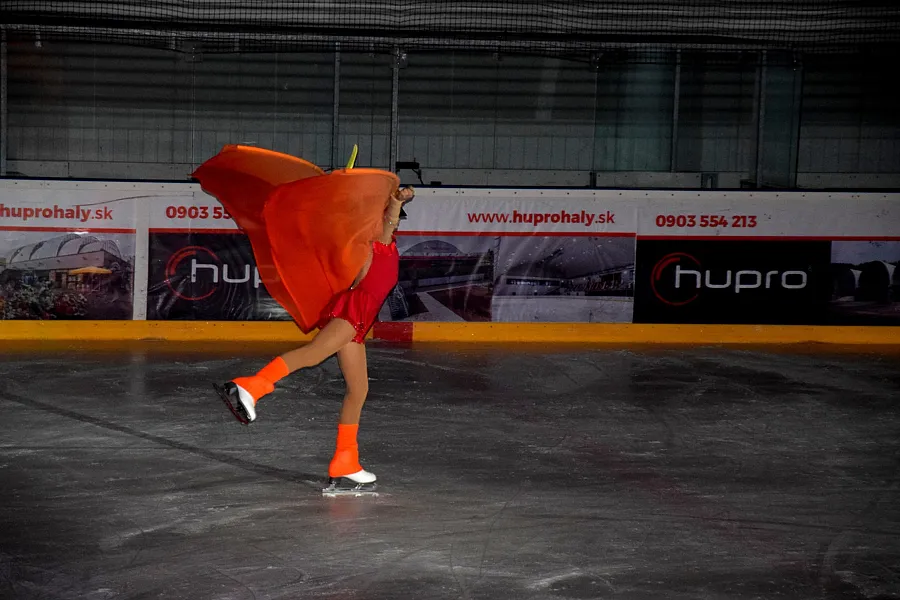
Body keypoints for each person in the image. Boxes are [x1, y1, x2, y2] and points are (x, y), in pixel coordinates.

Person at [214, 185, 415, 495]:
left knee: (358, 389)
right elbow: (388, 222)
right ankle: (252, 387)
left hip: (361, 319)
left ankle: (346, 460)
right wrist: (395, 202)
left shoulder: (375, 245)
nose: (397, 222)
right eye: (393, 218)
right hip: (354, 312)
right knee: (315, 353)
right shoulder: (378, 242)